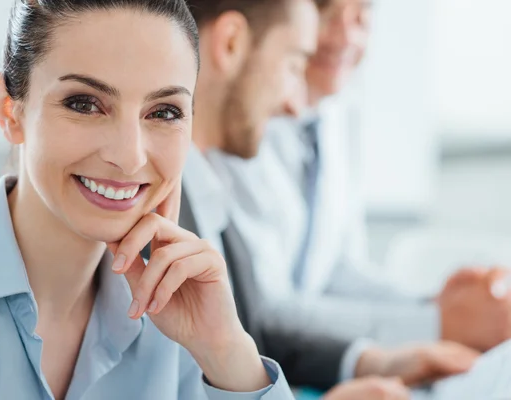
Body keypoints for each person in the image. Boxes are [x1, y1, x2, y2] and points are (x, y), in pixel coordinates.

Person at [0, 1, 296, 399]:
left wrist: (227, 354)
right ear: (10, 110)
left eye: (164, 112)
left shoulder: (173, 318)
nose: (130, 157)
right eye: (84, 104)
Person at [173, 0, 478, 398]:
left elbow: (250, 329)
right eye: (295, 64)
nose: (296, 105)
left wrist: (372, 361)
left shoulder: (206, 191)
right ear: (230, 44)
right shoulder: (162, 206)